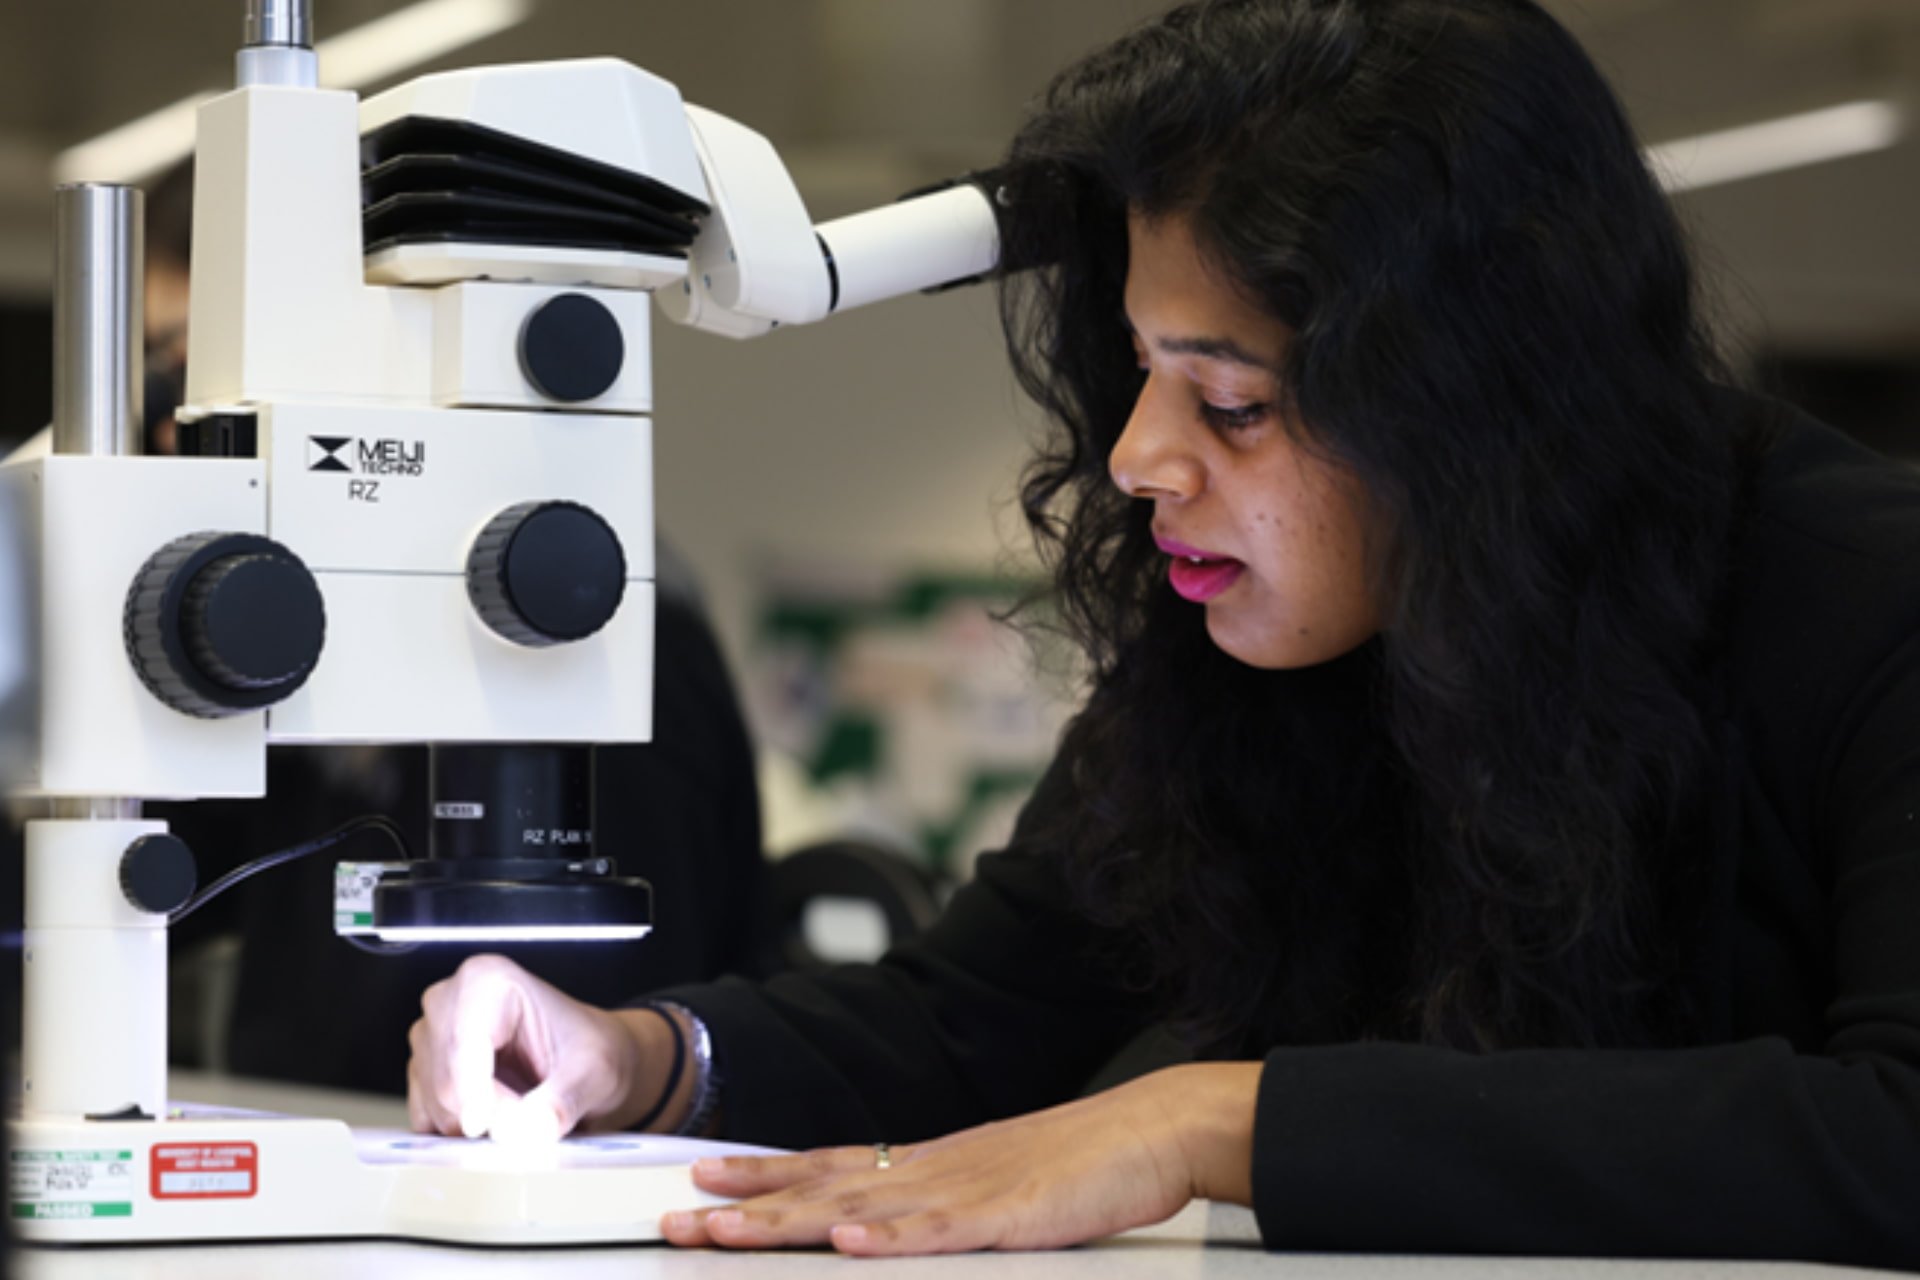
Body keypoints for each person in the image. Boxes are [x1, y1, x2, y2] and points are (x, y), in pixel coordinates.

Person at [405, 0, 1920, 1263]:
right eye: (1140, 372)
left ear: (1481, 413)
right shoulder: (1245, 649)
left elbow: (1892, 1134)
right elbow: (977, 1018)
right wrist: (639, 1057)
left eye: (1235, 402)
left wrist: (1217, 1118)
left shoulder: (1867, 597)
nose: (1139, 457)